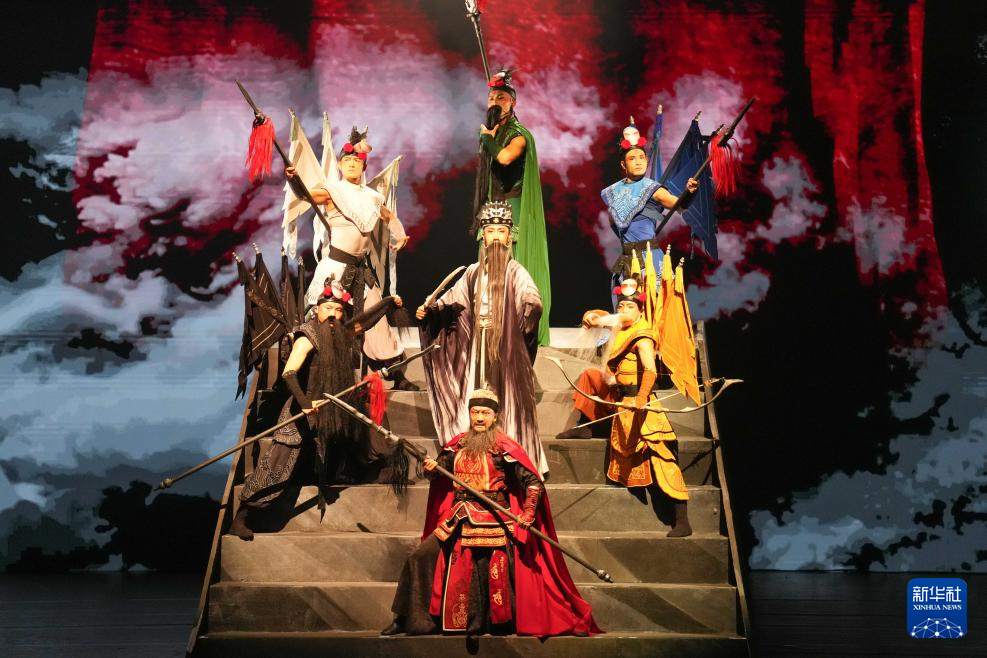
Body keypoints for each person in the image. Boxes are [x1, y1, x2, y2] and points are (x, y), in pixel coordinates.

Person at [381, 390, 600, 637]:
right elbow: (437, 475)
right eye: (475, 412)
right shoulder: (456, 445)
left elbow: (533, 483)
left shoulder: (504, 448)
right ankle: (404, 619)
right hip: (458, 517)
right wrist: (431, 468)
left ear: (495, 416)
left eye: (485, 413)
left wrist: (527, 513)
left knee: (495, 568)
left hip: (494, 518)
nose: (479, 418)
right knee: (420, 556)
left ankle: (491, 620)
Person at [230, 280, 406, 541]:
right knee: (278, 461)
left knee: (370, 422)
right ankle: (243, 516)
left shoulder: (341, 333)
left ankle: (377, 471)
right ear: (316, 311)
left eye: (338, 310)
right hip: (306, 406)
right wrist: (305, 404)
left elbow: (364, 322)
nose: (333, 314)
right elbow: (289, 373)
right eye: (328, 309)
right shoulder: (307, 335)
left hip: (336, 406)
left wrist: (388, 303)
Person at [416, 201, 548, 476]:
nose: (496, 237)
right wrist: (430, 311)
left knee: (507, 398)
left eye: (501, 231)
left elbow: (532, 298)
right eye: (490, 231)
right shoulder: (473, 272)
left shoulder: (516, 271)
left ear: (509, 237)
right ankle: (473, 454)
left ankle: (512, 457)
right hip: (477, 345)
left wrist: (530, 308)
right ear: (483, 237)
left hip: (505, 347)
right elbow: (452, 301)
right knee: (475, 393)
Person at [556, 277, 692, 537]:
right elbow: (598, 317)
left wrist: (641, 398)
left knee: (662, 457)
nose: (624, 310)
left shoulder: (643, 335)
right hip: (620, 397)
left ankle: (682, 520)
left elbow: (650, 370)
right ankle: (588, 427)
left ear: (640, 310)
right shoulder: (621, 324)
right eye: (621, 306)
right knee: (591, 376)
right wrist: (590, 317)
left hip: (639, 401)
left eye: (630, 307)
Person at [286, 126, 417, 390]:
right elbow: (306, 195)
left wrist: (400, 235)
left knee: (377, 320)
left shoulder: (372, 196)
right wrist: (294, 181)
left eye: (356, 161)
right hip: (335, 267)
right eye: (347, 161)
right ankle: (307, 374)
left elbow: (388, 216)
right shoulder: (332, 190)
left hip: (361, 269)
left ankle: (396, 374)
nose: (352, 164)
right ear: (340, 165)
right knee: (322, 318)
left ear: (363, 166)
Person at [475, 68, 552, 345]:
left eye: (502, 98)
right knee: (488, 260)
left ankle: (518, 321)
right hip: (492, 205)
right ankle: (491, 318)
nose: (495, 102)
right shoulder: (494, 132)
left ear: (513, 103)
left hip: (513, 206)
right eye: (492, 98)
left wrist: (487, 140)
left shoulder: (519, 134)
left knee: (512, 259)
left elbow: (505, 158)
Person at [602, 116, 698, 307]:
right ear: (623, 165)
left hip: (650, 260)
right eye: (632, 158)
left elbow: (679, 204)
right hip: (627, 260)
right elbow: (613, 221)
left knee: (655, 308)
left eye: (642, 158)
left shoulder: (653, 189)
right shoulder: (612, 192)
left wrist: (689, 192)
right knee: (628, 310)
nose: (638, 162)